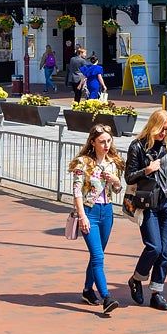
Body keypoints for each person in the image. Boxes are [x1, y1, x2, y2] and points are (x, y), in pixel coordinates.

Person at [124, 108, 167, 311]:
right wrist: (147, 170)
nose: (164, 134)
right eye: (162, 130)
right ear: (153, 126)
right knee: (154, 247)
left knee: (165, 252)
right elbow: (129, 176)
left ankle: (156, 292)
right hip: (147, 203)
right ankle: (136, 279)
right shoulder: (137, 147)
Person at [69, 124, 125, 317]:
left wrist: (115, 181)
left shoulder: (113, 162)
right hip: (89, 211)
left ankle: (87, 290)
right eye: (102, 141)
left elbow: (118, 190)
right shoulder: (82, 163)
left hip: (107, 212)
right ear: (92, 142)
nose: (106, 145)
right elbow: (76, 191)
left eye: (109, 141)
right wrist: (82, 215)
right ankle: (107, 297)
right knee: (99, 256)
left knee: (97, 255)